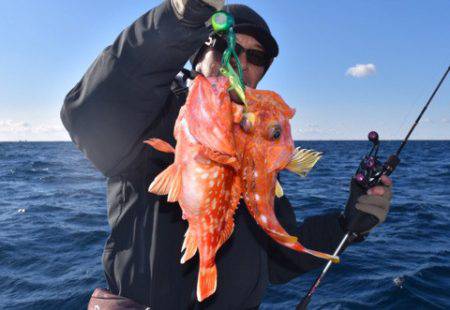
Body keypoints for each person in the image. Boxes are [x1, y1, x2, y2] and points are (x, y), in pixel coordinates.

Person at [60, 1, 393, 309]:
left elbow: (277, 258)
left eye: (257, 56)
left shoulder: (253, 144)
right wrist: (180, 17)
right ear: (198, 48)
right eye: (226, 44)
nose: (241, 60)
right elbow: (88, 114)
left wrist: (346, 225)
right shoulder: (154, 115)